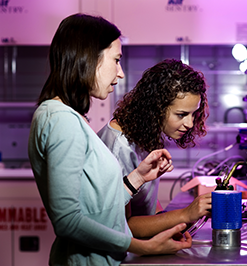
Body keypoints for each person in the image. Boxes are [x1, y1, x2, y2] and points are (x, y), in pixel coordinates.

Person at [28, 13, 192, 266]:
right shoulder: (59, 119)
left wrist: (139, 177)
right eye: (116, 60)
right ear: (89, 57)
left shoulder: (70, 118)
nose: (121, 73)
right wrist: (143, 247)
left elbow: (97, 209)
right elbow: (67, 221)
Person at [97, 59, 211, 238]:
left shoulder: (146, 130)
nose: (190, 123)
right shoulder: (119, 146)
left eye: (194, 114)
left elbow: (145, 199)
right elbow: (122, 226)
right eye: (181, 115)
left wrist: (164, 223)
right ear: (155, 108)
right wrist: (184, 215)